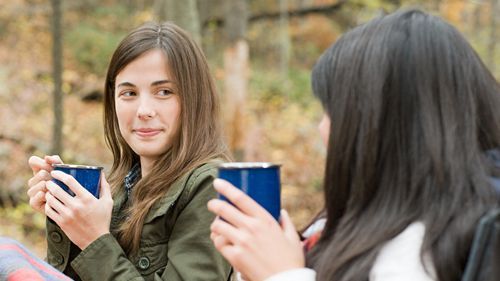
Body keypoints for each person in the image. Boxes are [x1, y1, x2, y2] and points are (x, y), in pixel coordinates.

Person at [207, 9, 500, 281]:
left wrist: (284, 275)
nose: (322, 127)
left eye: (331, 111)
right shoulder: (379, 218)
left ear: (376, 124)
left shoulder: (422, 253)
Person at [26, 22, 232, 281]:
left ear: (194, 98)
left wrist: (94, 240)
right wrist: (68, 217)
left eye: (164, 92)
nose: (143, 110)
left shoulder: (211, 186)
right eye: (129, 93)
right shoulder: (119, 186)